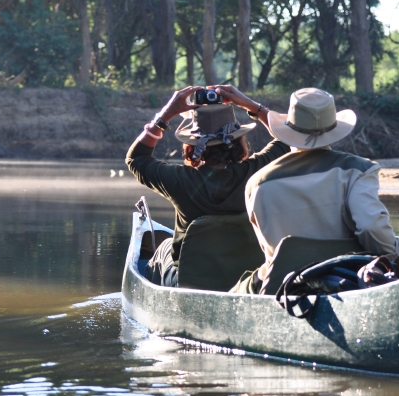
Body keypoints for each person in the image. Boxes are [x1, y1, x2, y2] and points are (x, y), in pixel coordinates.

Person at [125, 85, 291, 287]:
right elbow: (289, 137)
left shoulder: (179, 180)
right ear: (238, 141)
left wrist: (164, 116)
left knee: (164, 247)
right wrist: (252, 106)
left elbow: (136, 159)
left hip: (189, 282)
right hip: (249, 281)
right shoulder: (258, 171)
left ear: (192, 145)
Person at [244, 87, 399, 290]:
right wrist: (398, 264)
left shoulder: (257, 183)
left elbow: (267, 249)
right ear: (333, 129)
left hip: (281, 287)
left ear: (289, 130)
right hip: (348, 281)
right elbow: (371, 226)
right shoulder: (358, 170)